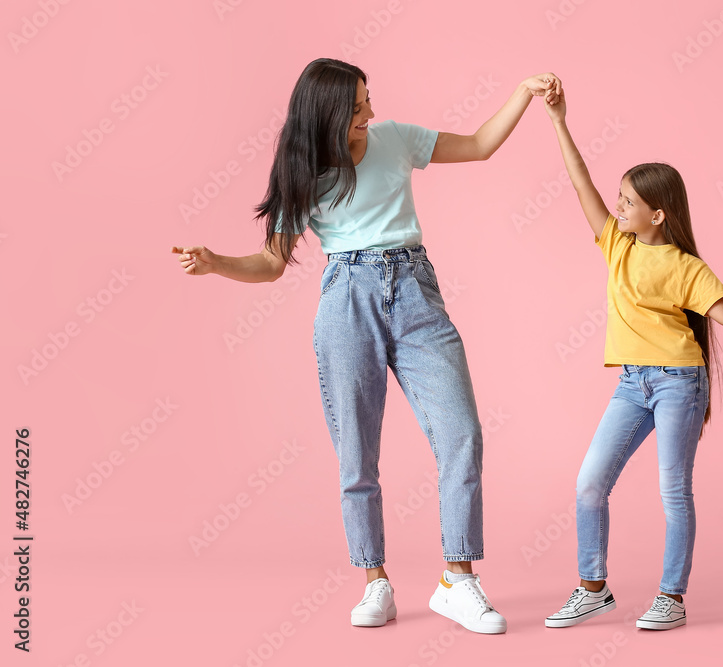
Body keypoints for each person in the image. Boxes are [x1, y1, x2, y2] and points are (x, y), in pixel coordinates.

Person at [170, 58, 563, 634]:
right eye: (357, 108)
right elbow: (272, 263)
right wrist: (216, 263)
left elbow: (479, 145)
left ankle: (458, 579)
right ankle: (375, 580)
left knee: (461, 433)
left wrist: (523, 93)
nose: (371, 113)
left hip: (414, 291)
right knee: (356, 452)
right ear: (327, 114)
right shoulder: (302, 172)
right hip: (345, 298)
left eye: (368, 101)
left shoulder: (395, 139)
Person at [538, 84, 723, 630]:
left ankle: (671, 598)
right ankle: (593, 587)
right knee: (590, 482)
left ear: (657, 215)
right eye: (621, 199)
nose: (619, 207)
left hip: (680, 381)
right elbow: (580, 182)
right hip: (633, 384)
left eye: (628, 201)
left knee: (673, 490)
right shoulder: (617, 244)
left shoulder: (686, 266)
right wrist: (560, 120)